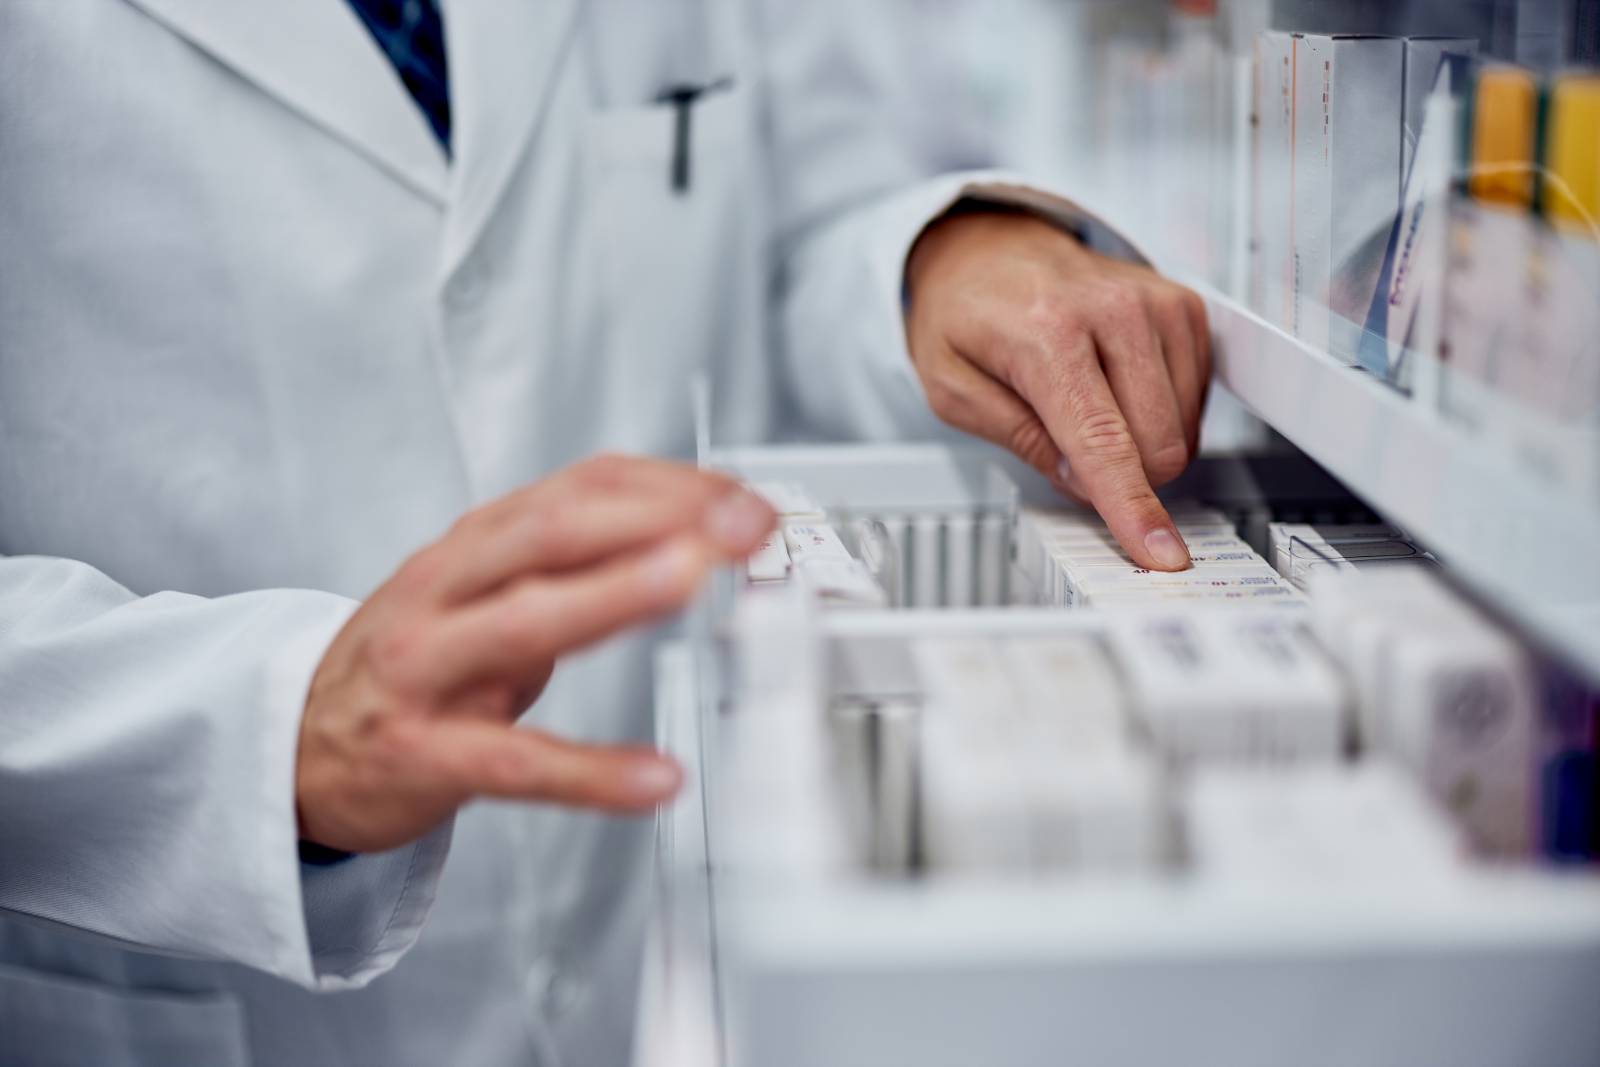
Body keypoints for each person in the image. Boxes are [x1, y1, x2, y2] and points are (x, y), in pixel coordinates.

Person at [0, 2, 1210, 1064]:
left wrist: (935, 255)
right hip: (194, 966)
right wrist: (254, 720)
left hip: (660, 890)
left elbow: (797, 228)